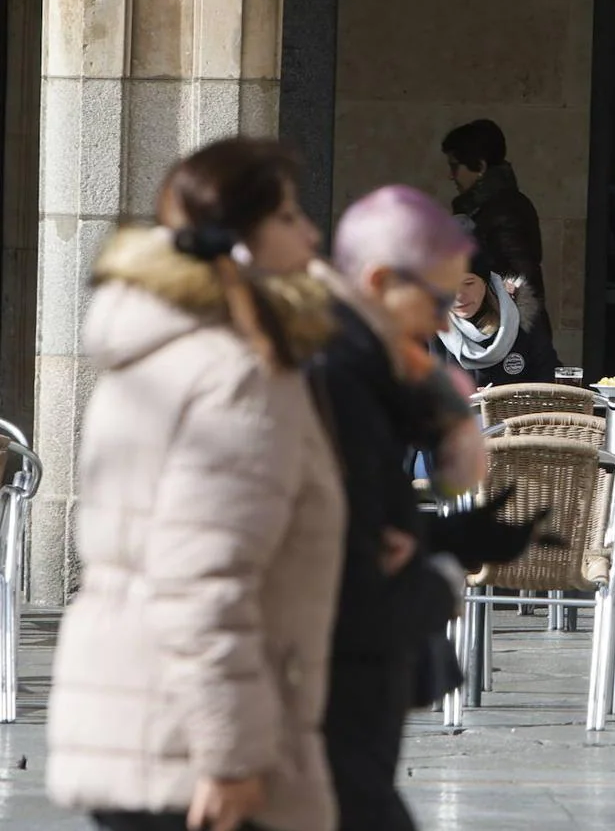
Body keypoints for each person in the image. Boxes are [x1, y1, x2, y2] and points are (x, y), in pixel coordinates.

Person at [46, 138, 346, 831]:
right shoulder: (234, 375)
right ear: (238, 244)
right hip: (190, 749)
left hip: (134, 719)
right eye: (289, 217)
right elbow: (204, 579)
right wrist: (232, 757)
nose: (312, 233)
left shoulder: (153, 350)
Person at [313, 185, 554, 831]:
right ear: (379, 281)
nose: (444, 318)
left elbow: (368, 517)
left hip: (356, 669)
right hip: (316, 673)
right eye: (434, 298)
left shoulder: (373, 372)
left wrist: (450, 534)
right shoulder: (330, 374)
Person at [441, 119, 551, 333]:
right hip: (494, 326)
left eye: (455, 166)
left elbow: (522, 278)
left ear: (480, 166)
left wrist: (510, 337)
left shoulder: (502, 210)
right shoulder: (487, 208)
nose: (451, 175)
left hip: (504, 331)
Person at [432, 217, 559, 387]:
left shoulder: (522, 320)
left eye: (468, 283)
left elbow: (549, 380)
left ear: (486, 282)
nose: (459, 296)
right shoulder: (428, 329)